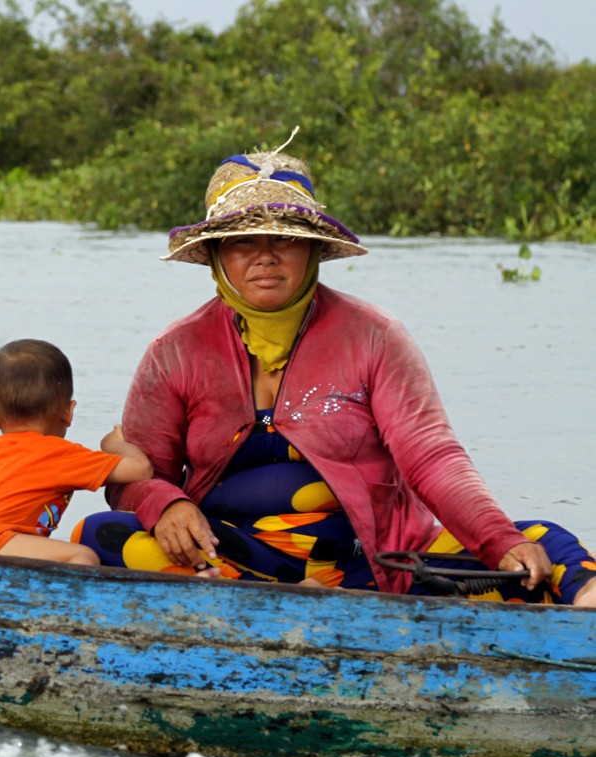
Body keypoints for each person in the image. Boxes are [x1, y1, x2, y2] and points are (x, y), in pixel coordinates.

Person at [85, 142, 596, 605]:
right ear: (218, 255)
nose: (265, 256)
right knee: (102, 534)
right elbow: (133, 478)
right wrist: (166, 504)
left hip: (378, 562)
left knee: (544, 547)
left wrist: (497, 540)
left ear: (312, 250)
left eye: (284, 239)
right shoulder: (174, 351)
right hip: (233, 556)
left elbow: (432, 458)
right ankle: (265, 598)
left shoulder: (374, 334)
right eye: (243, 241)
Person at [0, 339, 154, 564]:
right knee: (82, 556)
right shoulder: (59, 455)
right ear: (68, 412)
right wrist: (113, 444)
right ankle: (75, 600)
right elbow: (141, 469)